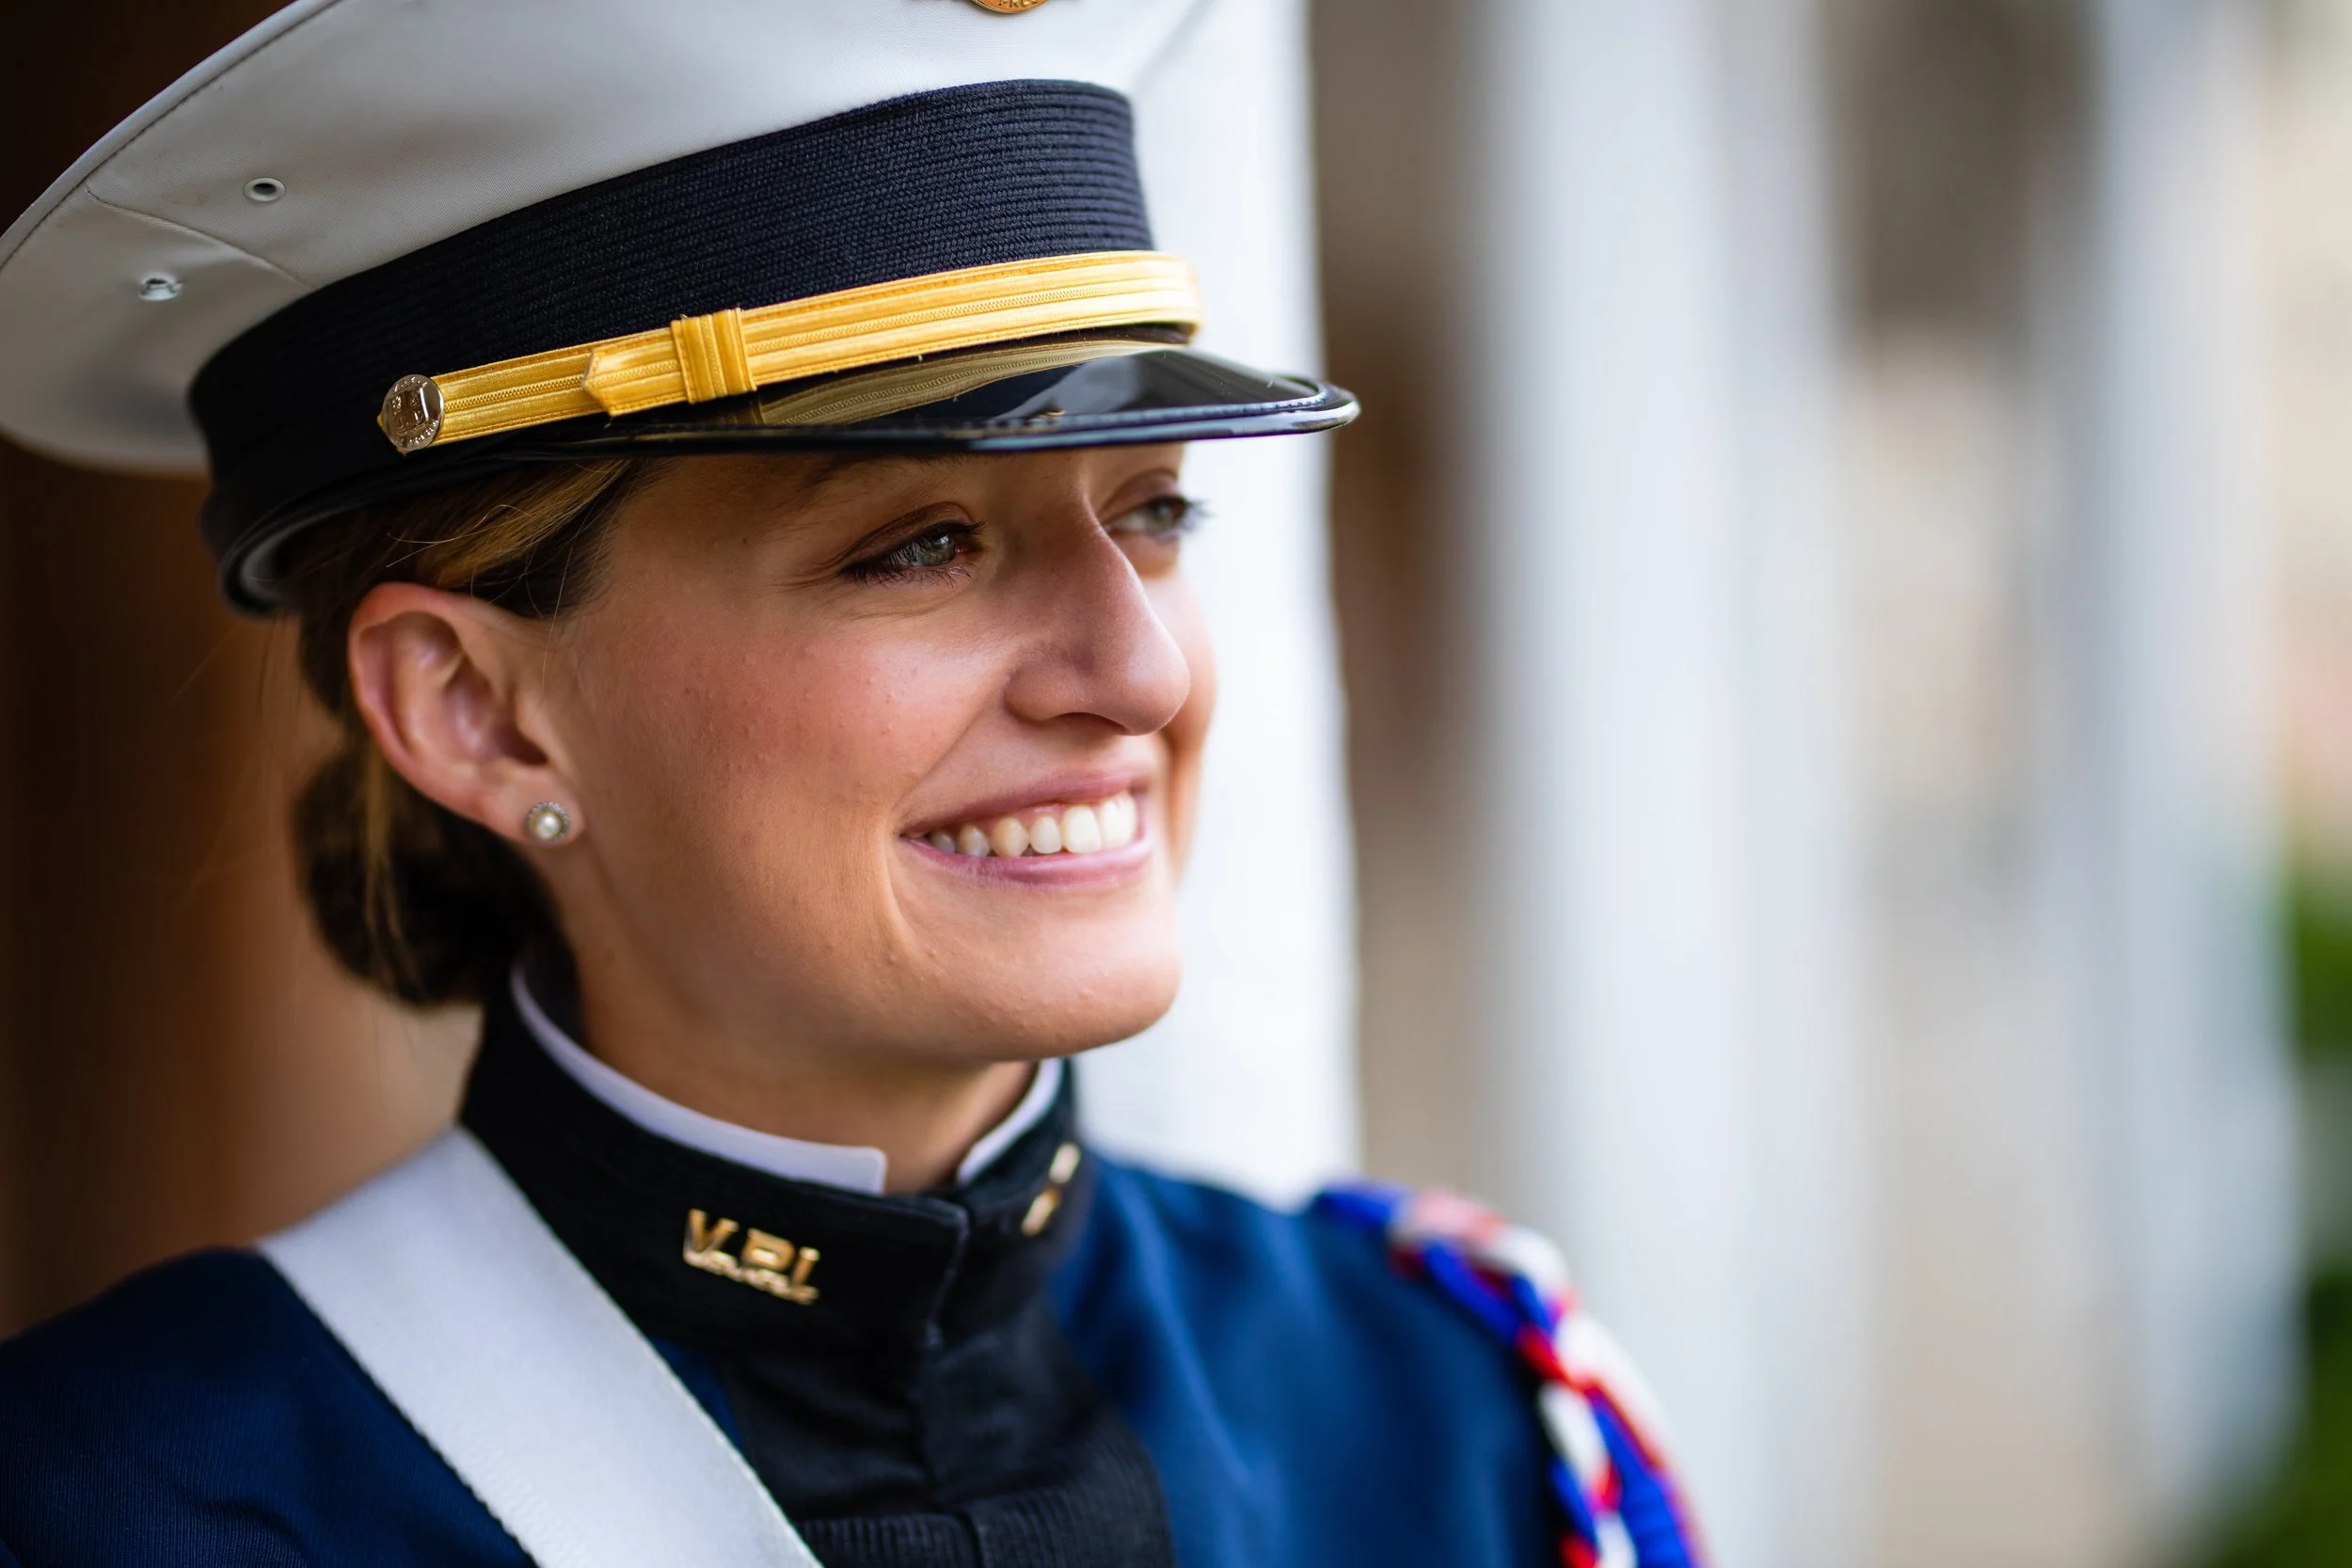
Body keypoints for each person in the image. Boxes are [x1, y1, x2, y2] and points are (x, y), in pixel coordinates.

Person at [0, 4, 1707, 1565]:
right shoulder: (112, 1506)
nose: (1139, 672)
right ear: (477, 714)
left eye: (1157, 513)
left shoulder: (1444, 1405)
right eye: (922, 545)